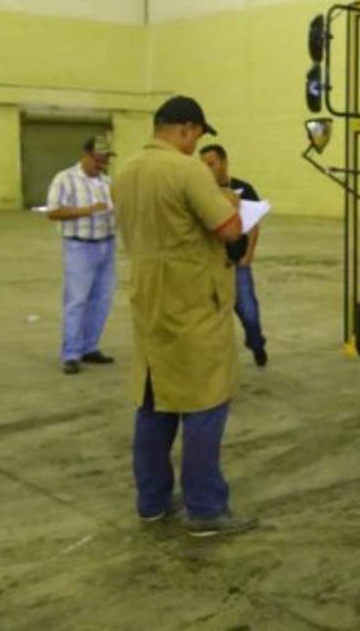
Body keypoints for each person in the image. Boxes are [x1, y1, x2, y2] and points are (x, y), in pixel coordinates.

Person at [111, 95, 257, 537]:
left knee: (155, 399)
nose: (196, 145)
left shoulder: (128, 170)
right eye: (195, 136)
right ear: (187, 129)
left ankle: (152, 502)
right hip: (194, 300)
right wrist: (229, 201)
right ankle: (207, 509)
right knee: (206, 401)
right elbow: (229, 229)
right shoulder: (186, 169)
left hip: (149, 298)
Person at [46, 135, 118, 375]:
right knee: (77, 301)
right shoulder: (65, 179)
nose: (102, 165)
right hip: (80, 247)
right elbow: (53, 211)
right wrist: (87, 210)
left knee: (102, 300)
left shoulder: (108, 183)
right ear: (86, 155)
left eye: (105, 160)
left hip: (107, 245)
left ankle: (90, 347)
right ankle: (71, 354)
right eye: (98, 160)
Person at [199, 144, 268, 366]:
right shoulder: (200, 192)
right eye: (202, 165)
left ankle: (256, 343)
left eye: (211, 164)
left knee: (249, 313)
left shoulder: (243, 188)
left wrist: (248, 256)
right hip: (211, 265)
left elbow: (254, 225)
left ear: (224, 163)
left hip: (237, 264)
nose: (207, 169)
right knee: (212, 317)